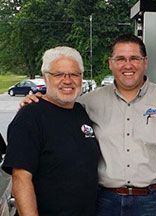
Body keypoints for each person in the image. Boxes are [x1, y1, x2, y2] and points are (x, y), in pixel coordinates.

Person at [20, 34, 156, 216]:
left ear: (145, 62)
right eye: (120, 59)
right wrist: (36, 100)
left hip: (155, 201)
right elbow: (59, 104)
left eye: (134, 58)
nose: (127, 65)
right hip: (105, 201)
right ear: (110, 63)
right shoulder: (88, 103)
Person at [2, 46, 99, 216]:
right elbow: (21, 179)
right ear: (46, 77)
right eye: (59, 74)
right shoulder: (30, 117)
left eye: (74, 74)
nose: (67, 80)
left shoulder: (80, 111)